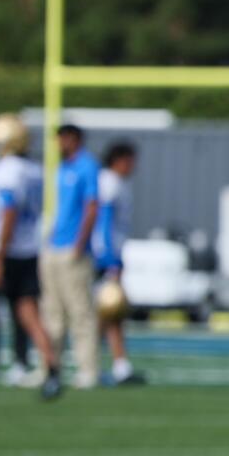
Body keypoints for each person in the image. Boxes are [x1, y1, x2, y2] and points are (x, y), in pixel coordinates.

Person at [0, 114, 62, 400]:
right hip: (27, 250)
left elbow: (8, 214)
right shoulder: (34, 170)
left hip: (2, 249)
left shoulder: (4, 172)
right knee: (29, 313)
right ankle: (52, 368)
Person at [41, 123, 100, 389]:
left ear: (73, 139)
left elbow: (91, 207)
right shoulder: (62, 167)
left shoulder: (87, 166)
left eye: (63, 139)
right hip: (54, 246)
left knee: (80, 312)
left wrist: (80, 243)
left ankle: (87, 370)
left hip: (73, 250)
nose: (59, 144)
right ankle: (51, 367)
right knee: (52, 312)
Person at [92, 141, 144, 386]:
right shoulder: (109, 182)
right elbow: (103, 222)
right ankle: (92, 363)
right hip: (103, 256)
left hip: (112, 254)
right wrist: (109, 259)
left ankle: (119, 364)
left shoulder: (119, 183)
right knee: (102, 312)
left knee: (113, 312)